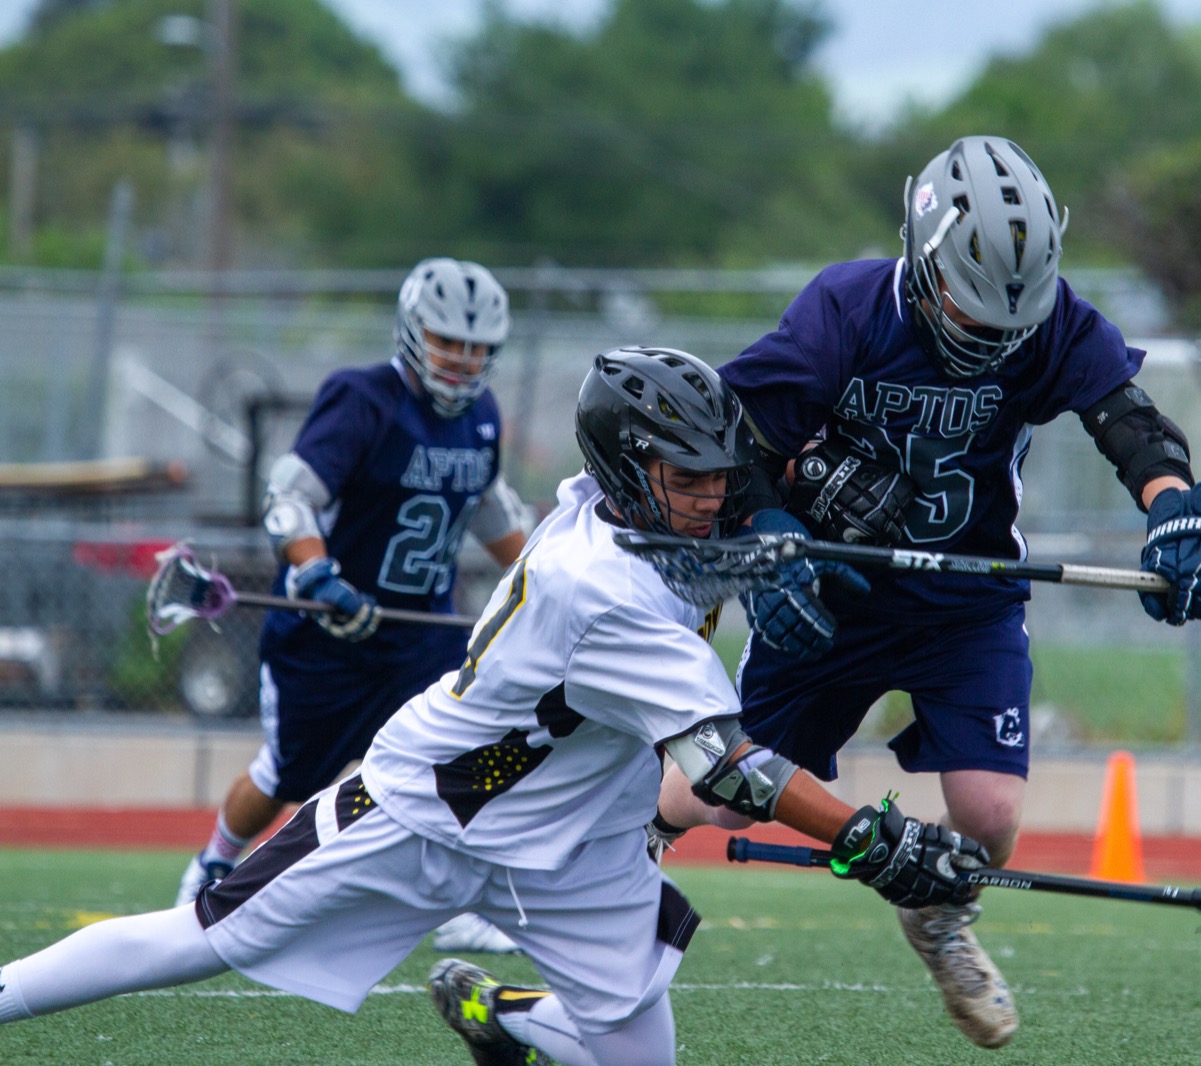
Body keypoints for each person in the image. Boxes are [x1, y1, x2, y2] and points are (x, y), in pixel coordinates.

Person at [0, 346, 987, 1066]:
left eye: (721, 475)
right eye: (688, 479)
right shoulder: (601, 590)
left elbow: (688, 546)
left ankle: (507, 1015)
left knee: (642, 1058)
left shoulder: (601, 505)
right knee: (203, 940)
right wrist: (871, 840)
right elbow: (730, 767)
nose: (711, 494)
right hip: (429, 806)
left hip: (571, 841)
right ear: (630, 470)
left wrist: (764, 526)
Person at [652, 135, 1201, 1050]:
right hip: (829, 592)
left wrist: (1176, 507)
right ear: (921, 262)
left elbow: (1125, 420)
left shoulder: (1047, 324)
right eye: (973, 317)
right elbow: (740, 446)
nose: (994, 340)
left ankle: (937, 917)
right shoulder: (843, 313)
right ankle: (622, 828)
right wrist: (766, 545)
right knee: (727, 796)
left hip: (966, 603)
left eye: (1012, 323)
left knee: (990, 816)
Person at [174, 256, 532, 955]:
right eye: (448, 342)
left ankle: (449, 898)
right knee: (289, 774)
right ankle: (213, 862)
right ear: (412, 332)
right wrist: (318, 576)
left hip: (418, 634)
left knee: (456, 764)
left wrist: (542, 574)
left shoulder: (482, 417)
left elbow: (488, 508)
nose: (462, 361)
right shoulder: (364, 398)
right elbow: (291, 496)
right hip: (329, 632)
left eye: (478, 347)